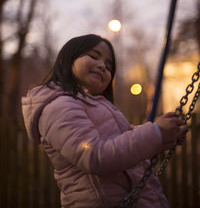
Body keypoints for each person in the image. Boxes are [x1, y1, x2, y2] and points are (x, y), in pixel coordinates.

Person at [22, 34, 188, 208]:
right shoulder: (58, 106)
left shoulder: (96, 105)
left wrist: (161, 137)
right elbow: (93, 155)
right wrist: (155, 134)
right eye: (93, 56)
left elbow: (122, 138)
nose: (102, 66)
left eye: (109, 66)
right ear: (68, 59)